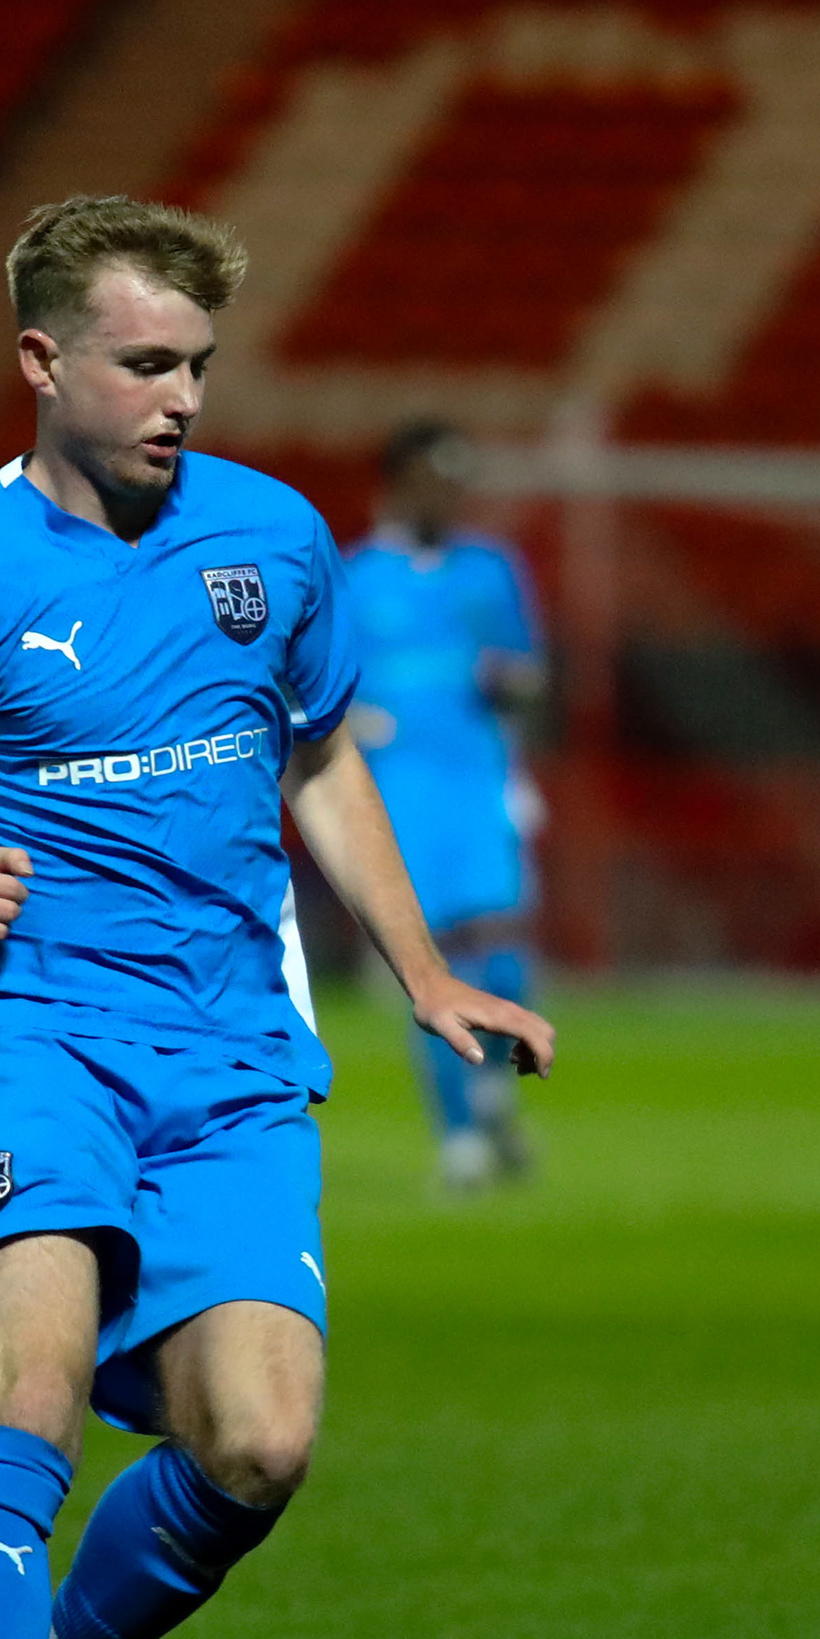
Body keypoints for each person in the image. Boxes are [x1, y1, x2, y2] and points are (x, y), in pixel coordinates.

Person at [0, 196, 557, 1639]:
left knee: (260, 1446)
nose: (183, 398)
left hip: (229, 1062)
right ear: (42, 362)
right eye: (148, 362)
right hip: (30, 1038)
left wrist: (427, 972)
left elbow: (316, 766)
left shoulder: (275, 543)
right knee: (27, 1395)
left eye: (201, 365)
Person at [341, 419, 548, 1185]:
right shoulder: (356, 577)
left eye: (455, 482)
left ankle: (490, 1082)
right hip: (400, 793)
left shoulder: (491, 571)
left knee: (506, 954)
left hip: (479, 780)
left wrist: (513, 684)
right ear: (398, 483)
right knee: (431, 960)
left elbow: (529, 671)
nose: (446, 495)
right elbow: (322, 687)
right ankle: (459, 1135)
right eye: (432, 478)